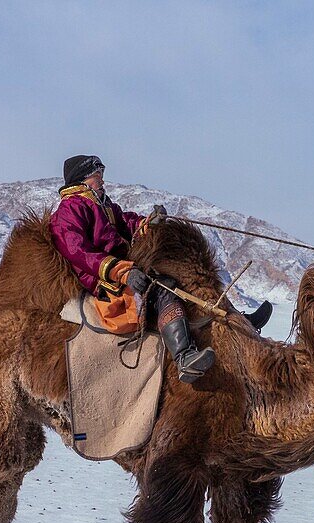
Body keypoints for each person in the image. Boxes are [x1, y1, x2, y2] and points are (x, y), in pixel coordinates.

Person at [50, 155, 215, 383]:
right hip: (108, 280)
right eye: (98, 174)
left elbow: (127, 223)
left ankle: (232, 322)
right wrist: (120, 271)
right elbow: (76, 249)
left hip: (129, 268)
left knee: (182, 271)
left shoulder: (103, 204)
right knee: (163, 290)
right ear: (84, 178)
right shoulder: (70, 210)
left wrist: (148, 224)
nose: (103, 179)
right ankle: (184, 358)